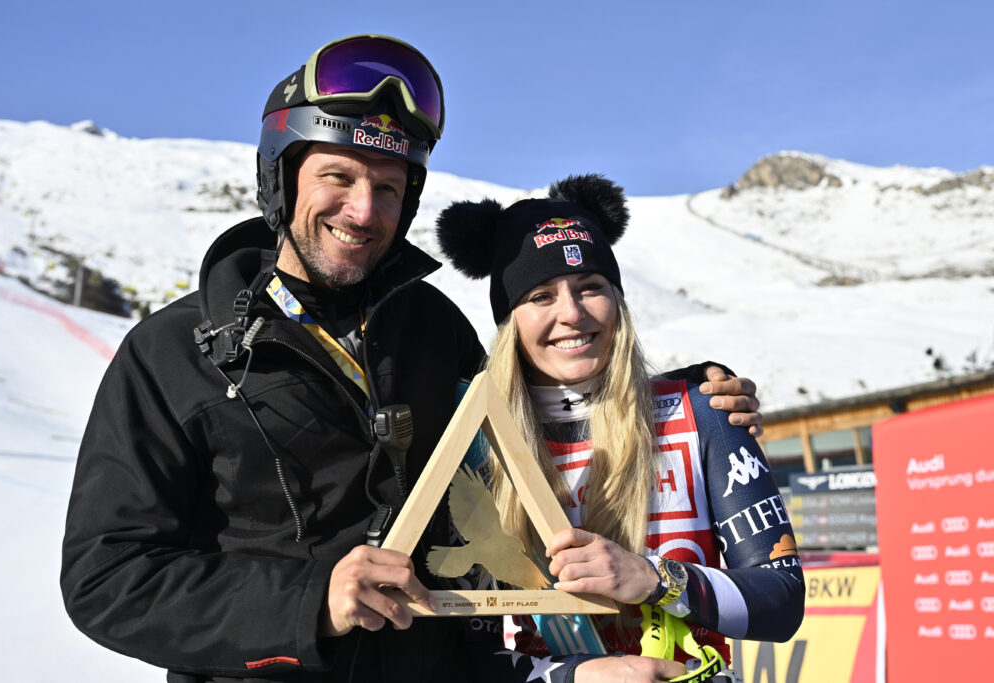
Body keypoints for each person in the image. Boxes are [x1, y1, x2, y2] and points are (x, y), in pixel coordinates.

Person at [61, 36, 763, 683]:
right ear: (281, 178)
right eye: (338, 176)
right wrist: (310, 603)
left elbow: (533, 425)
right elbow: (106, 578)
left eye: (389, 188)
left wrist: (681, 399)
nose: (364, 211)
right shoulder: (172, 353)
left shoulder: (432, 328)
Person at [436, 174, 805, 682]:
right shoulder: (478, 444)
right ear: (510, 321)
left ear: (618, 301)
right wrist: (578, 676)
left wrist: (655, 578)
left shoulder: (704, 410)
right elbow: (461, 647)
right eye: (540, 296)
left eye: (590, 287)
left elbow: (783, 604)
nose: (571, 313)